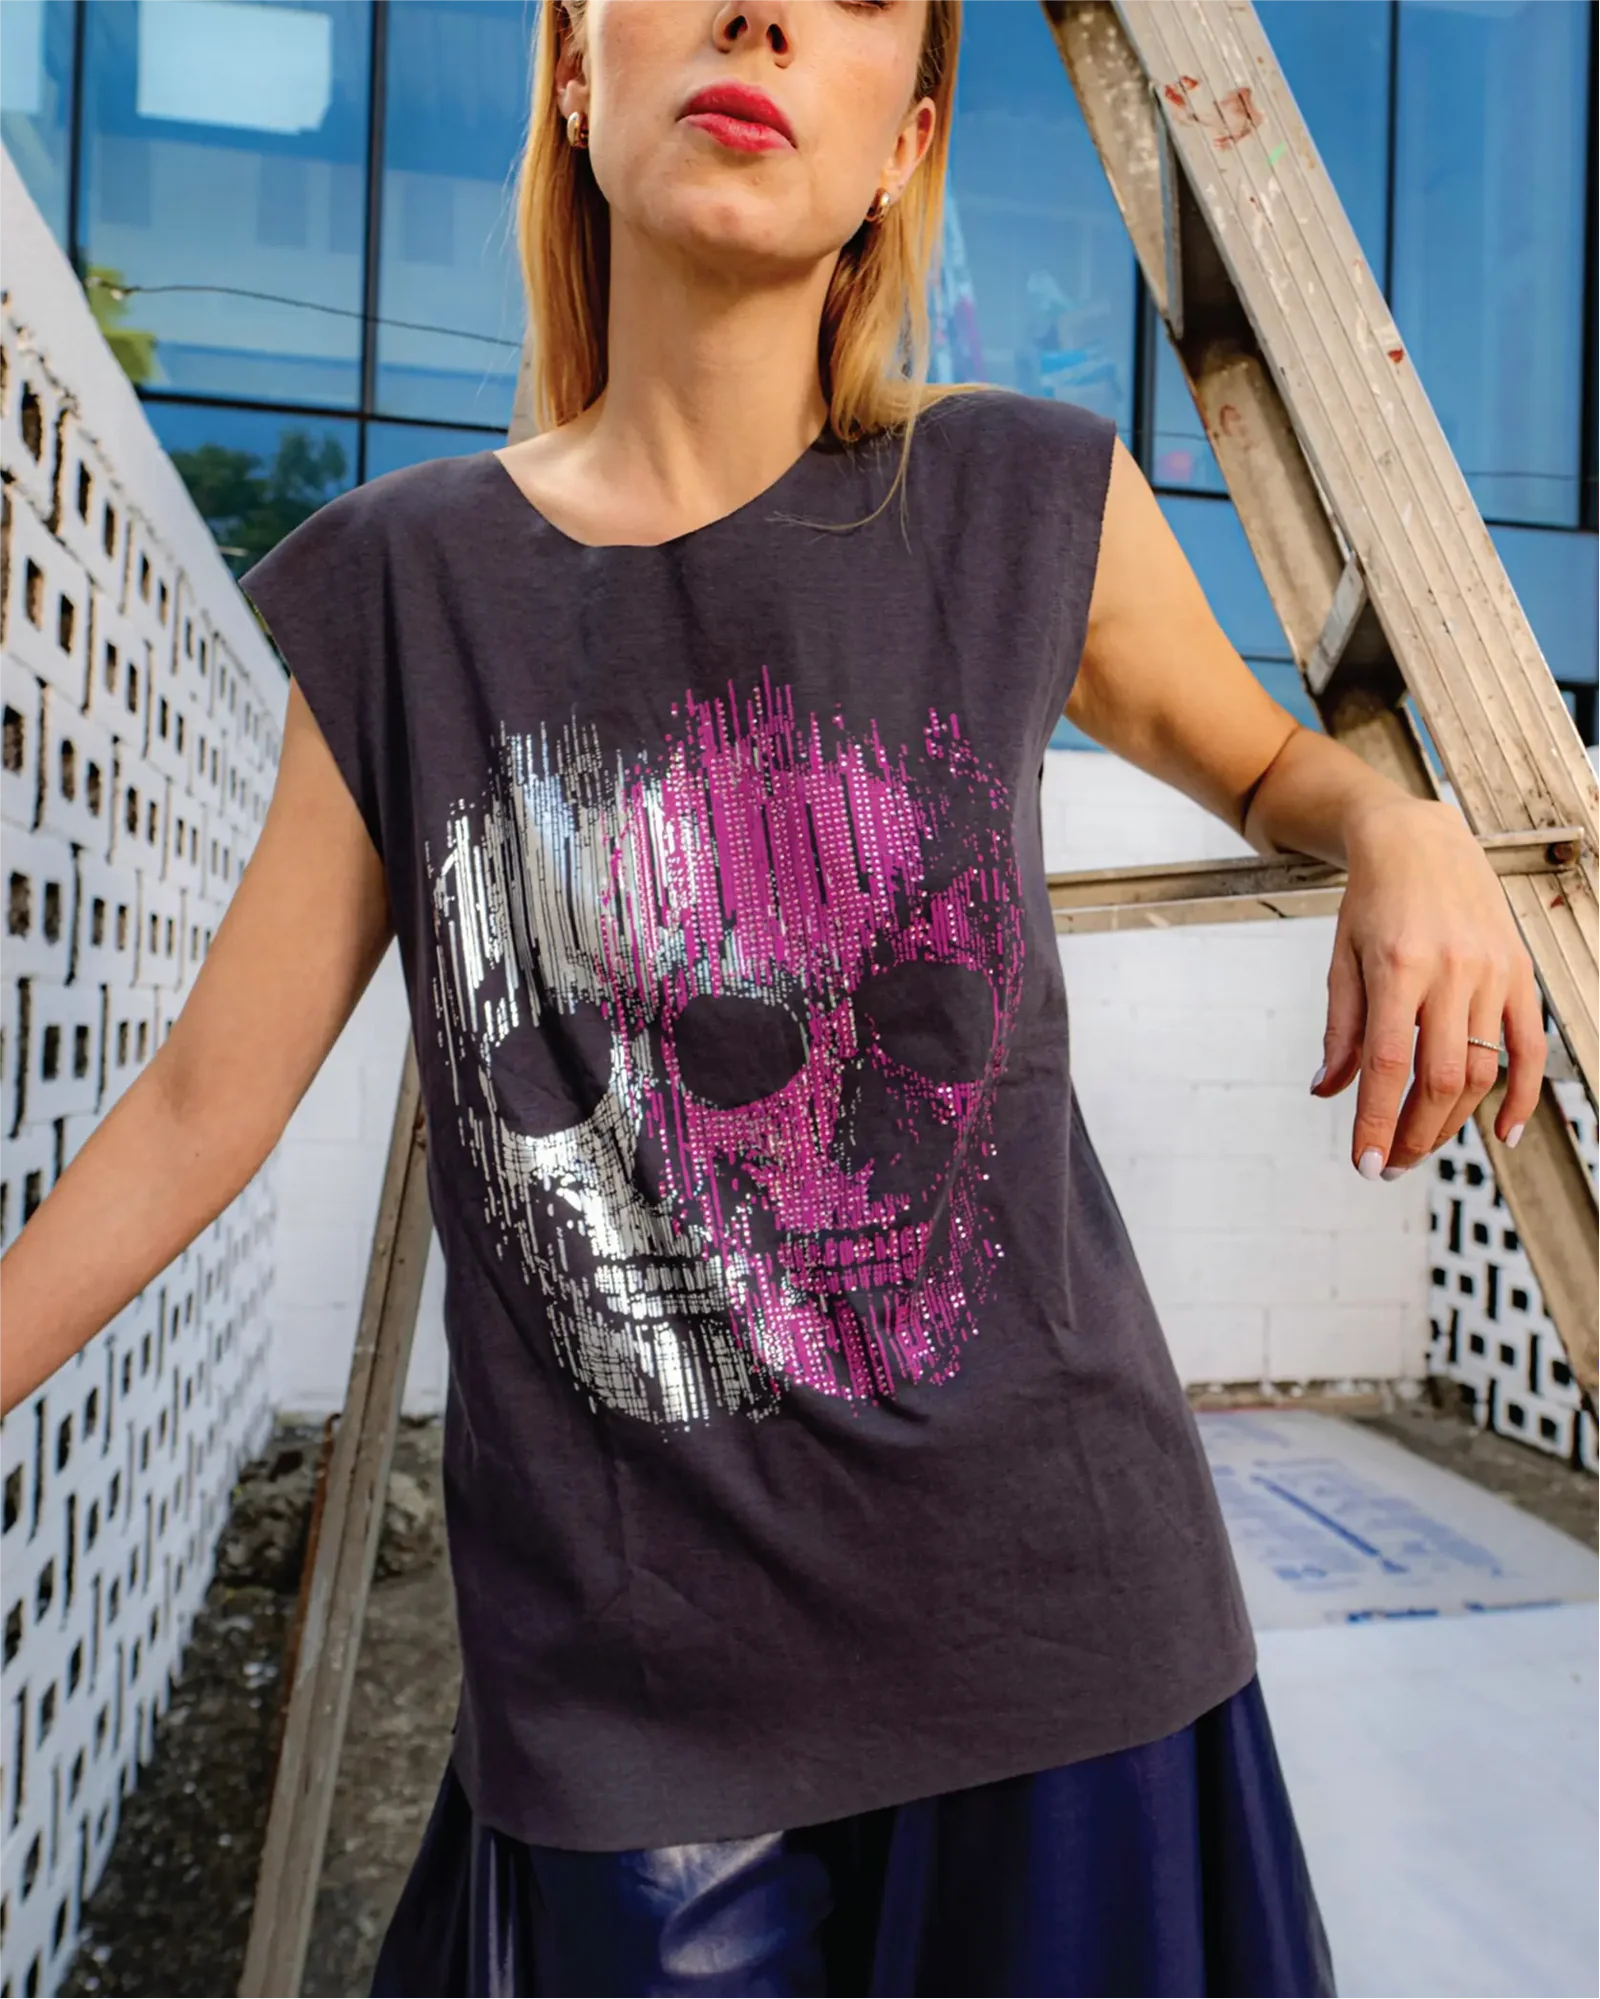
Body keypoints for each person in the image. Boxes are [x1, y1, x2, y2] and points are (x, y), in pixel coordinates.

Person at [0, 2, 1545, 1995]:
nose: (759, 16)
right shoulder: (400, 589)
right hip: (633, 1704)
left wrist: (1402, 829)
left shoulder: (1022, 498)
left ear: (902, 145)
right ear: (575, 63)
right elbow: (202, 1108)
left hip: (1064, 1643)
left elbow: (1264, 765)